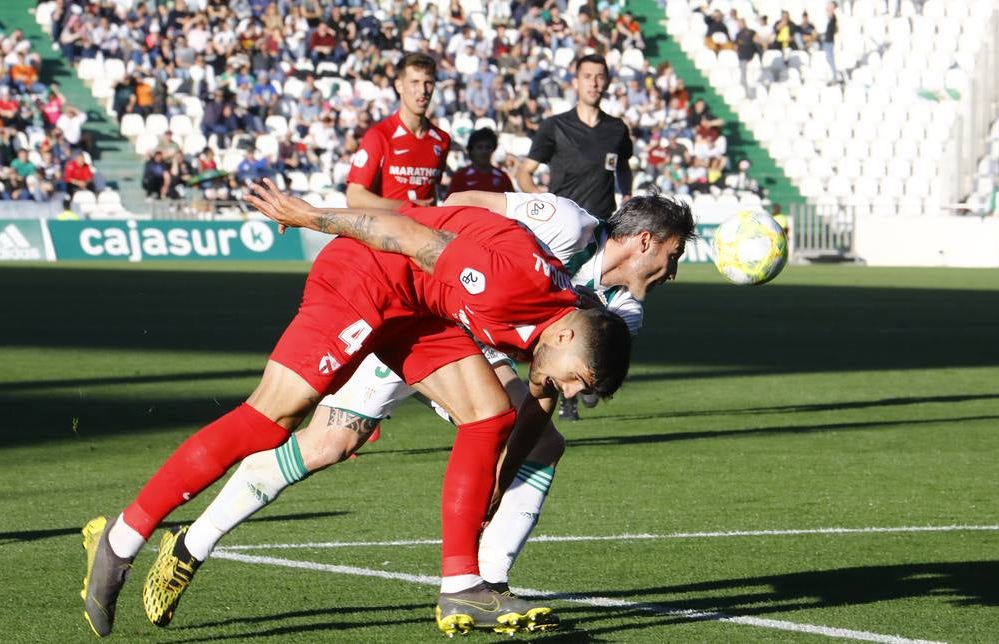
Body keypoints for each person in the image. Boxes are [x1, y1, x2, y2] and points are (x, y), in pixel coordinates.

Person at [80, 185, 632, 638]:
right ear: (562, 335)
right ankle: (121, 539)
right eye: (574, 380)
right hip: (365, 274)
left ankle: (462, 585)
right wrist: (310, 216)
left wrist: (499, 483)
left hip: (419, 305)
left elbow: (533, 410)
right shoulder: (518, 285)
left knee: (488, 414)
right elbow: (407, 234)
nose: (565, 390)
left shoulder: (559, 330)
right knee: (272, 419)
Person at [515, 52, 633, 419]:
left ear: (607, 82)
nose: (594, 82)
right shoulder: (555, 126)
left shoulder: (617, 130)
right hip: (562, 239)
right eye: (587, 76)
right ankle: (567, 395)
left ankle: (590, 375)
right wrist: (539, 202)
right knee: (564, 314)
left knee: (602, 311)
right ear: (576, 81)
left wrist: (627, 200)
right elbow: (525, 172)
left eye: (600, 76)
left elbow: (623, 171)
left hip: (603, 236)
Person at [347, 52, 449, 209]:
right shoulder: (379, 135)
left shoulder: (442, 140)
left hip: (423, 231)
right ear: (399, 86)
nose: (422, 90)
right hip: (387, 231)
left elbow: (432, 194)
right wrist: (407, 207)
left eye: (428, 83)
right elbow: (354, 197)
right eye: (414, 82)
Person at [448, 127, 515, 194]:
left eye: (488, 147)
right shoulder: (460, 177)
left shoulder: (503, 177)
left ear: (493, 149)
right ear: (471, 150)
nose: (484, 151)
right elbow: (449, 203)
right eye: (479, 147)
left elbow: (513, 202)